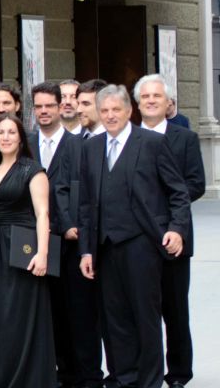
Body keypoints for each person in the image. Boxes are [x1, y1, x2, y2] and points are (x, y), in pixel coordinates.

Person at [77, 85, 192, 388]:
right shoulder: (90, 147)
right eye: (105, 111)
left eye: (117, 110)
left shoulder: (152, 143)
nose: (111, 116)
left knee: (145, 316)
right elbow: (86, 204)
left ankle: (149, 381)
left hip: (142, 244)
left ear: (130, 111)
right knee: (114, 320)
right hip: (105, 247)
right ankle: (122, 378)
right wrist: (86, 251)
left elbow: (178, 192)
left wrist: (176, 229)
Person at [0, 113, 56, 388]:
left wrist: (42, 253)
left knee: (23, 316)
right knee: (2, 317)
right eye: (0, 133)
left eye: (11, 133)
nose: (5, 137)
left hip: (23, 248)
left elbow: (43, 214)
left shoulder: (32, 171)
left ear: (20, 138)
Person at [132, 74, 206, 388]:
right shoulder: (127, 138)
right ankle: (142, 370)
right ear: (136, 104)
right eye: (145, 97)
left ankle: (177, 373)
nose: (150, 101)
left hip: (174, 236)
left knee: (174, 310)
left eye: (156, 97)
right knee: (139, 310)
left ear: (168, 103)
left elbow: (196, 184)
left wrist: (165, 213)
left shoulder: (184, 139)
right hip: (135, 239)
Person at [27, 81, 97, 388]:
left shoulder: (79, 145)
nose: (44, 112)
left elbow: (86, 193)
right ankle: (58, 374)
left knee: (79, 315)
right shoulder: (24, 143)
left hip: (69, 242)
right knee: (48, 313)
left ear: (61, 108)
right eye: (38, 107)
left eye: (49, 106)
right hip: (32, 243)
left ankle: (87, 377)